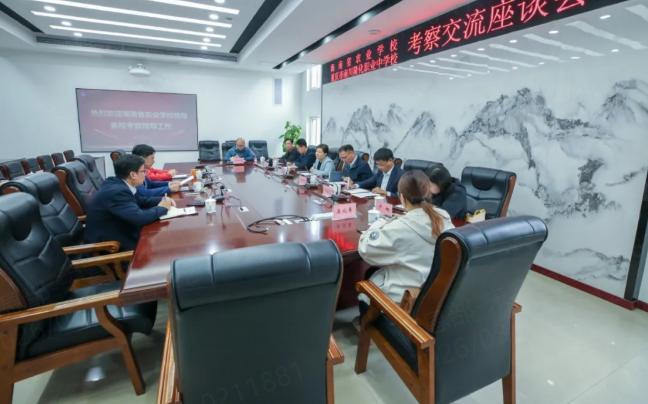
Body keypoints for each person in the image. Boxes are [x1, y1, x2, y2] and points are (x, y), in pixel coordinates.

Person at [358, 170, 454, 305]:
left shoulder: (400, 228)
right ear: (429, 194)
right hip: (435, 295)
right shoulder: (444, 218)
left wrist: (378, 223)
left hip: (403, 299)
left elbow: (366, 249)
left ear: (402, 197)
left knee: (368, 283)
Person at [85, 154, 174, 251]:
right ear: (133, 175)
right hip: (110, 246)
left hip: (121, 230)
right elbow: (139, 218)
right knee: (164, 244)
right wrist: (162, 208)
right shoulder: (117, 192)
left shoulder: (118, 183)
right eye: (143, 171)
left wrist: (161, 200)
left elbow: (140, 200)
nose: (145, 175)